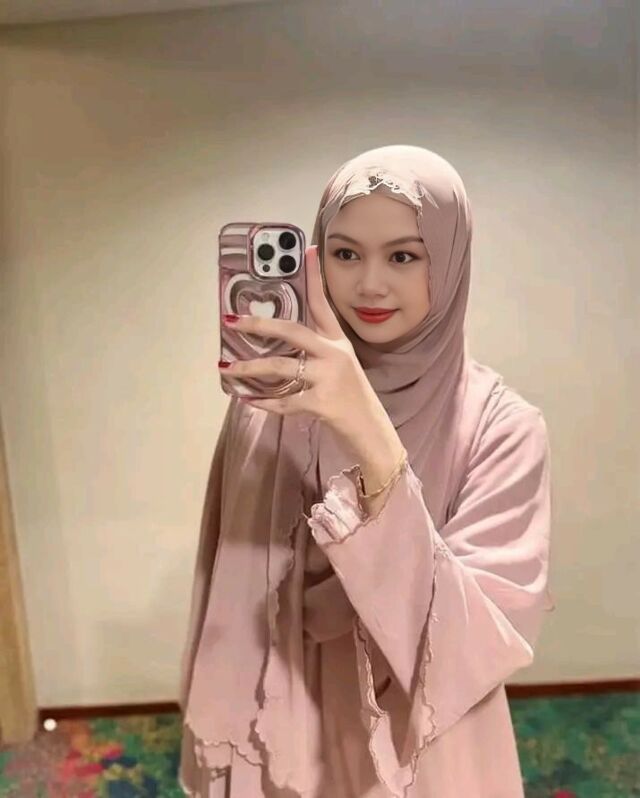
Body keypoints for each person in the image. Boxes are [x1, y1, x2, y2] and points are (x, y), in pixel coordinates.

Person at [177, 144, 555, 798]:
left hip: (418, 740)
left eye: (403, 256)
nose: (371, 285)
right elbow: (223, 578)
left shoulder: (503, 428)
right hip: (278, 716)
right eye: (346, 254)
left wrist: (368, 430)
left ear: (450, 260)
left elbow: (478, 646)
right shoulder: (269, 404)